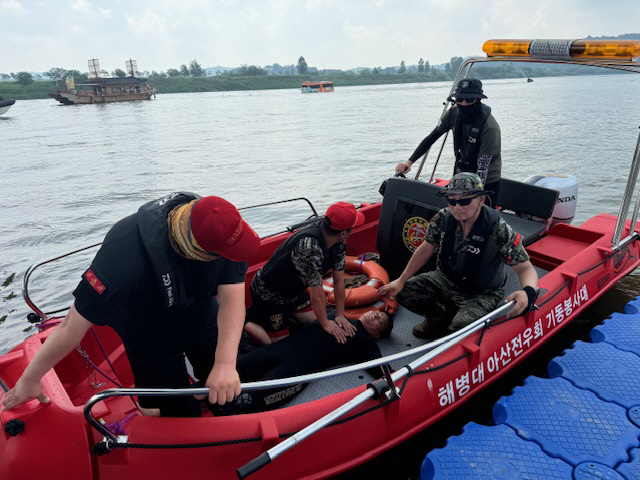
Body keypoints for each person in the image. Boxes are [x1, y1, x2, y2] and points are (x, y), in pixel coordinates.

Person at [2, 192, 261, 417]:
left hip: (202, 317)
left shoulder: (222, 229)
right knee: (179, 413)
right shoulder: (121, 262)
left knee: (227, 392)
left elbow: (231, 298)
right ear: (198, 251)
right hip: (150, 336)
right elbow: (71, 326)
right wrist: (30, 379)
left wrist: (225, 365)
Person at [378, 173, 538, 339]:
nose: (457, 207)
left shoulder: (498, 229)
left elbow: (526, 268)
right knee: (403, 291)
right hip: (445, 279)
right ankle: (439, 318)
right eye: (452, 201)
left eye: (465, 201)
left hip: (481, 292)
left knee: (460, 326)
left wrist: (528, 292)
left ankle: (458, 321)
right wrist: (401, 280)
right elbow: (426, 248)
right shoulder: (443, 217)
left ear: (481, 200)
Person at [221, 309, 393, 414]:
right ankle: (200, 394)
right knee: (236, 368)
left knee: (249, 399)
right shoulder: (335, 314)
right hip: (281, 348)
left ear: (377, 334)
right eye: (377, 312)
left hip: (298, 368)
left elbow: (384, 369)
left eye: (380, 320)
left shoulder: (366, 343)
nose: (376, 315)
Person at [244, 202, 365, 346]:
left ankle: (287, 316)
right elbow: (316, 293)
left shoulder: (339, 242)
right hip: (269, 294)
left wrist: (340, 315)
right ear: (343, 233)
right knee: (278, 344)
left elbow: (339, 281)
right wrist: (325, 323)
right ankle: (244, 322)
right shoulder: (310, 248)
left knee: (313, 322)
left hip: (294, 292)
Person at [395, 78, 502, 198]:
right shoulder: (453, 113)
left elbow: (483, 167)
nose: (464, 104)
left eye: (470, 99)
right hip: (461, 175)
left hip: (486, 181)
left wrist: (475, 196)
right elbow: (431, 137)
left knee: (475, 213)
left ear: (478, 99)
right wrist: (409, 162)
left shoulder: (490, 127)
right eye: (460, 99)